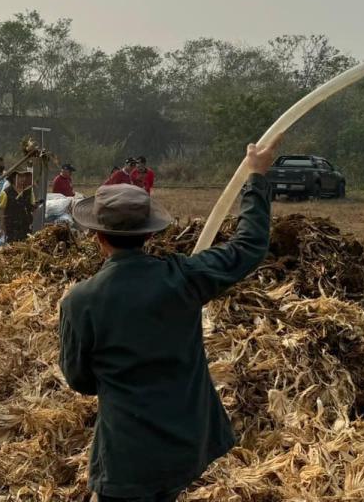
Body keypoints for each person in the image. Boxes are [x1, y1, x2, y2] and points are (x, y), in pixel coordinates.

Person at [58, 141, 277, 502]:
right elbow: (249, 245)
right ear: (149, 234)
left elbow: (79, 380)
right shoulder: (184, 278)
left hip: (126, 457)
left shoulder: (81, 301)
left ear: (97, 237)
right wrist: (255, 176)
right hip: (183, 446)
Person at [0, 169, 38, 243]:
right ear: (13, 178)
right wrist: (1, 227)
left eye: (24, 176)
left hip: (25, 226)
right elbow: (1, 211)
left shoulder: (29, 191)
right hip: (11, 228)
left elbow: (32, 207)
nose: (23, 179)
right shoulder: (6, 193)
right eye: (20, 176)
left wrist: (34, 207)